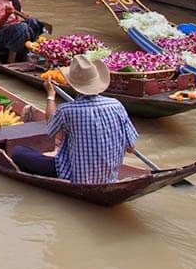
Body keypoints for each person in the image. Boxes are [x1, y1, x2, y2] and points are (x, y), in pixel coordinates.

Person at [9, 54, 139, 183]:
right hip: (110, 177)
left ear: (71, 85)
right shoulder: (117, 105)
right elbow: (130, 148)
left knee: (18, 152)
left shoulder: (67, 110)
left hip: (74, 176)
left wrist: (50, 95)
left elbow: (51, 128)